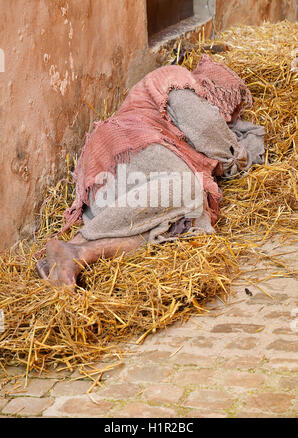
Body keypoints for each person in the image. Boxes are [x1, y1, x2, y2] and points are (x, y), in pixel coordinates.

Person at [36, 55, 265, 287]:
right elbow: (213, 133)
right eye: (228, 107)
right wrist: (240, 150)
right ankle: (79, 242)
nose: (226, 116)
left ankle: (79, 253)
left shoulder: (184, 128)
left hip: (118, 194)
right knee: (190, 190)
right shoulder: (177, 79)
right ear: (213, 87)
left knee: (193, 219)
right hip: (126, 146)